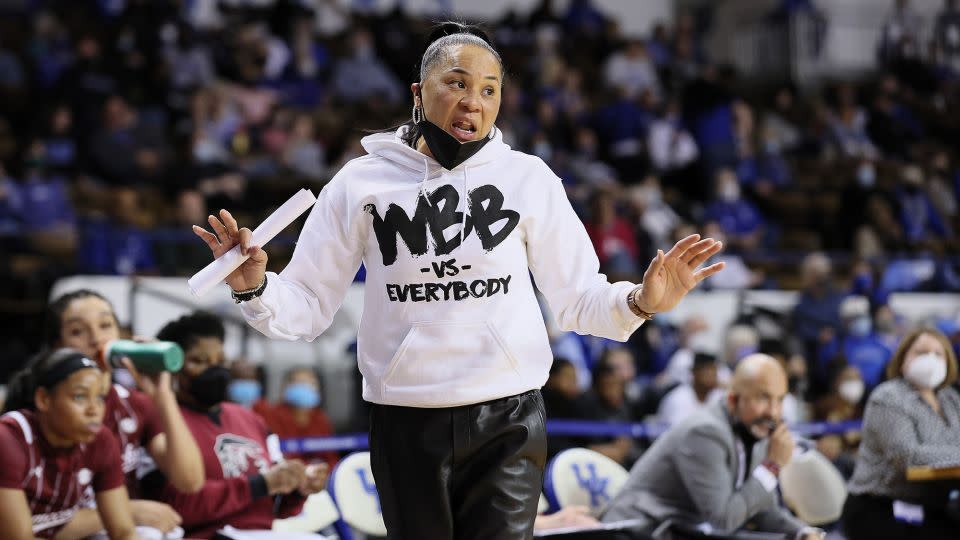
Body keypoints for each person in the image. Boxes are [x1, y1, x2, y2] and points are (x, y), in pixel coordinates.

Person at [193, 22, 724, 539]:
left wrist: (640, 301)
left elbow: (579, 299)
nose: (474, 100)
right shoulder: (359, 183)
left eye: (489, 89)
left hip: (509, 415)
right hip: (405, 417)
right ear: (419, 94)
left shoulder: (528, 179)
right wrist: (255, 287)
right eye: (458, 83)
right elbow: (307, 307)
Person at [600, 354, 825, 540]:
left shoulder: (754, 429)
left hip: (677, 530)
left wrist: (800, 532)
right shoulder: (705, 433)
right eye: (763, 398)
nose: (774, 412)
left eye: (779, 400)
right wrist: (772, 466)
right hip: (638, 531)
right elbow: (723, 520)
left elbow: (759, 507)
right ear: (733, 400)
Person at [146, 311, 327, 539]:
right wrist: (260, 485)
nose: (215, 369)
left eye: (221, 361)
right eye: (199, 361)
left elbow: (275, 506)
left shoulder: (252, 420)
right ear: (172, 368)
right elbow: (174, 508)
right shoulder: (161, 421)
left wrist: (298, 488)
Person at [42, 289, 204, 535]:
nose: (96, 339)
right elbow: (33, 525)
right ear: (57, 347)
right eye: (77, 331)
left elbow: (189, 480)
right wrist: (127, 510)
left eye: (105, 325)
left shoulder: (135, 404)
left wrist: (164, 396)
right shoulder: (46, 410)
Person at [0, 348, 137, 539]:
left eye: (99, 397)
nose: (94, 409)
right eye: (80, 397)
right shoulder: (8, 439)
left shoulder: (101, 440)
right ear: (44, 399)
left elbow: (124, 531)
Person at [842, 327, 960, 540]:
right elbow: (907, 457)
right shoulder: (888, 397)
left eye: (938, 354)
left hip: (932, 506)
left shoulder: (951, 399)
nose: (930, 359)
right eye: (921, 352)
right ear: (903, 358)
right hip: (882, 507)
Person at [256, 366, 338, 470]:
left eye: (311, 384)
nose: (306, 387)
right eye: (301, 383)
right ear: (286, 387)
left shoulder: (320, 418)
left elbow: (331, 456)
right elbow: (277, 455)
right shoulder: (272, 415)